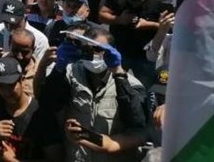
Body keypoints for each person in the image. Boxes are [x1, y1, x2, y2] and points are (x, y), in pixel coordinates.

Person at [41, 26, 148, 162]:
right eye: (88, 49)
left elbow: (137, 121)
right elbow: (47, 104)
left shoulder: (131, 84)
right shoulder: (70, 74)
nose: (93, 54)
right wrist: (59, 68)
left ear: (112, 51)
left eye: (98, 49)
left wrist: (118, 72)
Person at [0, 57, 63, 161]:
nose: (6, 92)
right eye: (1, 86)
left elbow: (56, 158)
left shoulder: (40, 113)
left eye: (11, 85)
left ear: (22, 80)